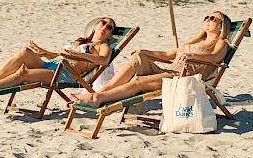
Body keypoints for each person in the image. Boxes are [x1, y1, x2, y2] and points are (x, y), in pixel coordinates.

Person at [72, 11, 231, 108]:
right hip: (170, 71)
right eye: (207, 17)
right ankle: (101, 92)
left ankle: (97, 97)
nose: (208, 20)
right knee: (138, 57)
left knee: (139, 80)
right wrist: (145, 52)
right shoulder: (196, 42)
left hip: (183, 77)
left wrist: (192, 55)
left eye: (213, 18)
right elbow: (169, 55)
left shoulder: (221, 43)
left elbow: (215, 58)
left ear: (221, 26)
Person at [0, 17, 117, 95]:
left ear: (110, 35)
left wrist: (83, 56)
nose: (105, 27)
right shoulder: (80, 41)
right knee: (24, 52)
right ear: (96, 25)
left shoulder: (103, 47)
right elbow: (61, 55)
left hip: (65, 74)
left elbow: (103, 61)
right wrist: (45, 53)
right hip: (54, 65)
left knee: (22, 73)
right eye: (103, 22)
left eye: (109, 27)